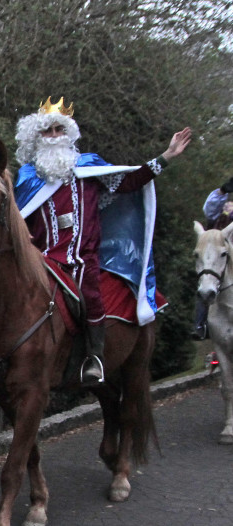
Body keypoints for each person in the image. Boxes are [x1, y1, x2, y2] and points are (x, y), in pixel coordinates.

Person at [14, 98, 191, 384]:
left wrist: (166, 157)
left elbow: (130, 182)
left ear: (68, 134)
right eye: (48, 131)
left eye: (60, 129)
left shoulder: (89, 169)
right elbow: (19, 223)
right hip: (44, 260)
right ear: (37, 137)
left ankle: (94, 357)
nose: (55, 136)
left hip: (84, 259)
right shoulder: (27, 178)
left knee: (90, 295)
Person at [192, 176, 233, 339]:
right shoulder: (226, 206)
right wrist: (222, 190)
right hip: (222, 254)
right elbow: (209, 211)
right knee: (207, 280)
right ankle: (200, 325)